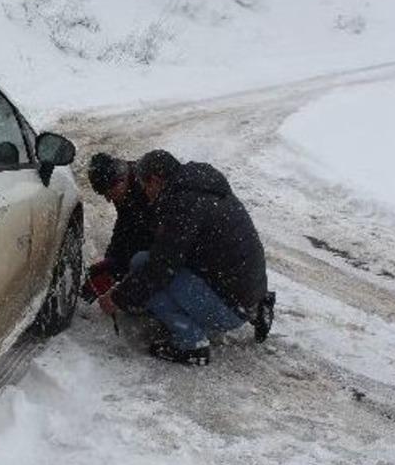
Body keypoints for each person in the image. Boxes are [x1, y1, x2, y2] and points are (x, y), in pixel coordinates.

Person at [98, 149, 276, 366]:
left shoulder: (183, 206)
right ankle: (255, 310)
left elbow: (160, 269)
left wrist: (118, 298)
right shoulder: (199, 187)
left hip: (230, 307)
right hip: (248, 294)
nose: (146, 194)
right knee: (146, 264)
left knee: (144, 267)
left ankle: (191, 344)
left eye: (146, 187)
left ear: (155, 180)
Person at [79, 152, 156, 302]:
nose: (108, 199)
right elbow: (123, 226)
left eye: (108, 193)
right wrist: (110, 259)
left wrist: (117, 272)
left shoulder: (147, 189)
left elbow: (145, 239)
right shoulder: (124, 189)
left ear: (119, 181)